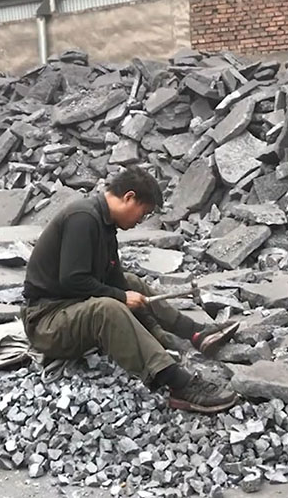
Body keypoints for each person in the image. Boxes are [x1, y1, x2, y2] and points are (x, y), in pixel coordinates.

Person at [21, 167, 240, 414]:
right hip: (45, 323)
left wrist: (154, 329)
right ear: (129, 197)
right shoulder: (82, 218)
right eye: (143, 213)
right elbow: (73, 280)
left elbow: (116, 281)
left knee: (131, 282)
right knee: (108, 308)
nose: (140, 221)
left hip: (69, 310)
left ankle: (195, 334)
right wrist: (122, 297)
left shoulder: (105, 226)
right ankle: (178, 383)